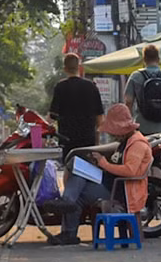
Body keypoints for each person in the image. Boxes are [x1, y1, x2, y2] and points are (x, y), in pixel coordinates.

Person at [50, 104, 153, 246]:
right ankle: (69, 226)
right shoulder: (125, 142)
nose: (112, 135)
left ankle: (67, 213)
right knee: (77, 174)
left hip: (120, 190)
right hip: (111, 184)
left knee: (77, 189)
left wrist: (104, 164)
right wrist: (98, 163)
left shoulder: (137, 144)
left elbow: (130, 171)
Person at [47, 52, 104, 158]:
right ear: (79, 67)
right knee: (87, 166)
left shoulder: (60, 87)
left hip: (67, 140)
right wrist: (97, 141)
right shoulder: (92, 87)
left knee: (69, 165)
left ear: (65, 69)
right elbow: (100, 119)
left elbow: (52, 116)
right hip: (88, 140)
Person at [123, 44, 161, 135]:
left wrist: (131, 122)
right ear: (158, 59)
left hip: (142, 127)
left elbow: (128, 102)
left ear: (144, 59)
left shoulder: (135, 77)